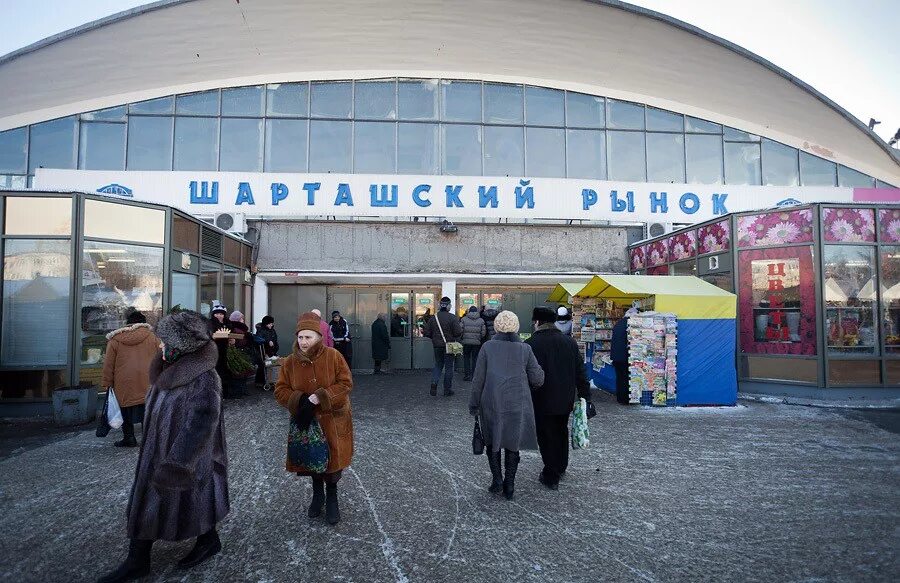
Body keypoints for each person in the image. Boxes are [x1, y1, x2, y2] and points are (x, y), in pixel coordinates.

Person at [97, 311, 229, 583]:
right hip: (157, 451)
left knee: (190, 497)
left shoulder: (203, 377)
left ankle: (207, 540)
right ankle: (138, 558)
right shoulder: (167, 367)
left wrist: (179, 463)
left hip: (184, 458)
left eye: (166, 341)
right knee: (151, 496)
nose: (161, 345)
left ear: (183, 345)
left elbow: (202, 424)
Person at [274, 312, 353, 525]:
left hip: (333, 420)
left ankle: (332, 498)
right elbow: (280, 389)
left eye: (308, 337)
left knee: (332, 462)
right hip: (307, 421)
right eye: (300, 337)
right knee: (312, 459)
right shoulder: (290, 362)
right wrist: (299, 400)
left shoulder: (334, 356)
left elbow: (345, 384)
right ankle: (317, 495)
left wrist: (320, 397)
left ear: (318, 336)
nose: (303, 342)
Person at [469, 311, 544, 500]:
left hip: (491, 401)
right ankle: (509, 485)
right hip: (518, 402)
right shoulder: (525, 349)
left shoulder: (487, 347)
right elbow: (537, 378)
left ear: (496, 326)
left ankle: (497, 481)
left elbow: (478, 379)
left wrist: (474, 404)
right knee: (513, 444)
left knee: (493, 441)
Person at [526, 307, 594, 490]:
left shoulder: (531, 343)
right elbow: (581, 373)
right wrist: (585, 396)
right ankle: (561, 465)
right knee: (561, 431)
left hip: (541, 398)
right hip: (565, 398)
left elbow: (526, 374)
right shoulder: (569, 342)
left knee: (545, 435)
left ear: (537, 322)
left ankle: (551, 473)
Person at [101, 311, 159, 448]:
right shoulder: (153, 337)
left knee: (124, 409)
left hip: (124, 382)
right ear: (144, 323)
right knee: (147, 408)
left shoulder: (116, 339)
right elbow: (160, 359)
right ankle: (148, 439)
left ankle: (129, 438)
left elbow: (109, 364)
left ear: (128, 323)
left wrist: (107, 382)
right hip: (148, 379)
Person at [422, 296, 463, 396]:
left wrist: (435, 338)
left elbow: (426, 332)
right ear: (448, 306)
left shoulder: (433, 318)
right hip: (449, 346)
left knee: (438, 365)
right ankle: (447, 390)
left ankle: (433, 384)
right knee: (449, 367)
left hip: (437, 346)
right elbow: (458, 333)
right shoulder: (452, 318)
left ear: (440, 306)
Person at [208, 303, 238, 399]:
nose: (219, 316)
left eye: (221, 314)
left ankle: (225, 393)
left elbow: (232, 334)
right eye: (217, 314)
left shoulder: (228, 323)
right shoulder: (210, 324)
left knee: (225, 372)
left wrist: (233, 340)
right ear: (213, 314)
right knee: (216, 372)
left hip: (225, 350)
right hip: (214, 351)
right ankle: (215, 394)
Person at [611, 307, 638, 405]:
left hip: (616, 356)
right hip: (624, 357)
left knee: (619, 377)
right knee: (626, 378)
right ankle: (625, 399)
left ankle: (620, 398)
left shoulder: (618, 323)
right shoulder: (630, 324)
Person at [228, 311, 253, 396]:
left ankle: (242, 389)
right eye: (241, 318)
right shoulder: (234, 328)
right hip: (238, 351)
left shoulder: (241, 328)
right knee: (239, 372)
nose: (243, 320)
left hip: (242, 350)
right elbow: (234, 340)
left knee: (244, 371)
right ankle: (239, 390)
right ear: (237, 319)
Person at [460, 305, 486, 381]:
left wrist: (462, 338)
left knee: (466, 358)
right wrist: (479, 338)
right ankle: (474, 375)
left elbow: (460, 330)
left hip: (466, 342)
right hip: (477, 343)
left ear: (469, 311)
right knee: (475, 358)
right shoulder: (481, 320)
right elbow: (483, 332)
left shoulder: (463, 319)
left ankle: (467, 375)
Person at [254, 315, 279, 386]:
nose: (272, 325)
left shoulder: (272, 330)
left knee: (271, 364)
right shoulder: (261, 331)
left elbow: (275, 340)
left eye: (272, 323)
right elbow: (259, 340)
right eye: (270, 323)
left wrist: (275, 347)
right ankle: (260, 381)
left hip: (271, 351)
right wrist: (268, 341)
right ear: (266, 324)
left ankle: (270, 380)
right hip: (263, 352)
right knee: (263, 365)